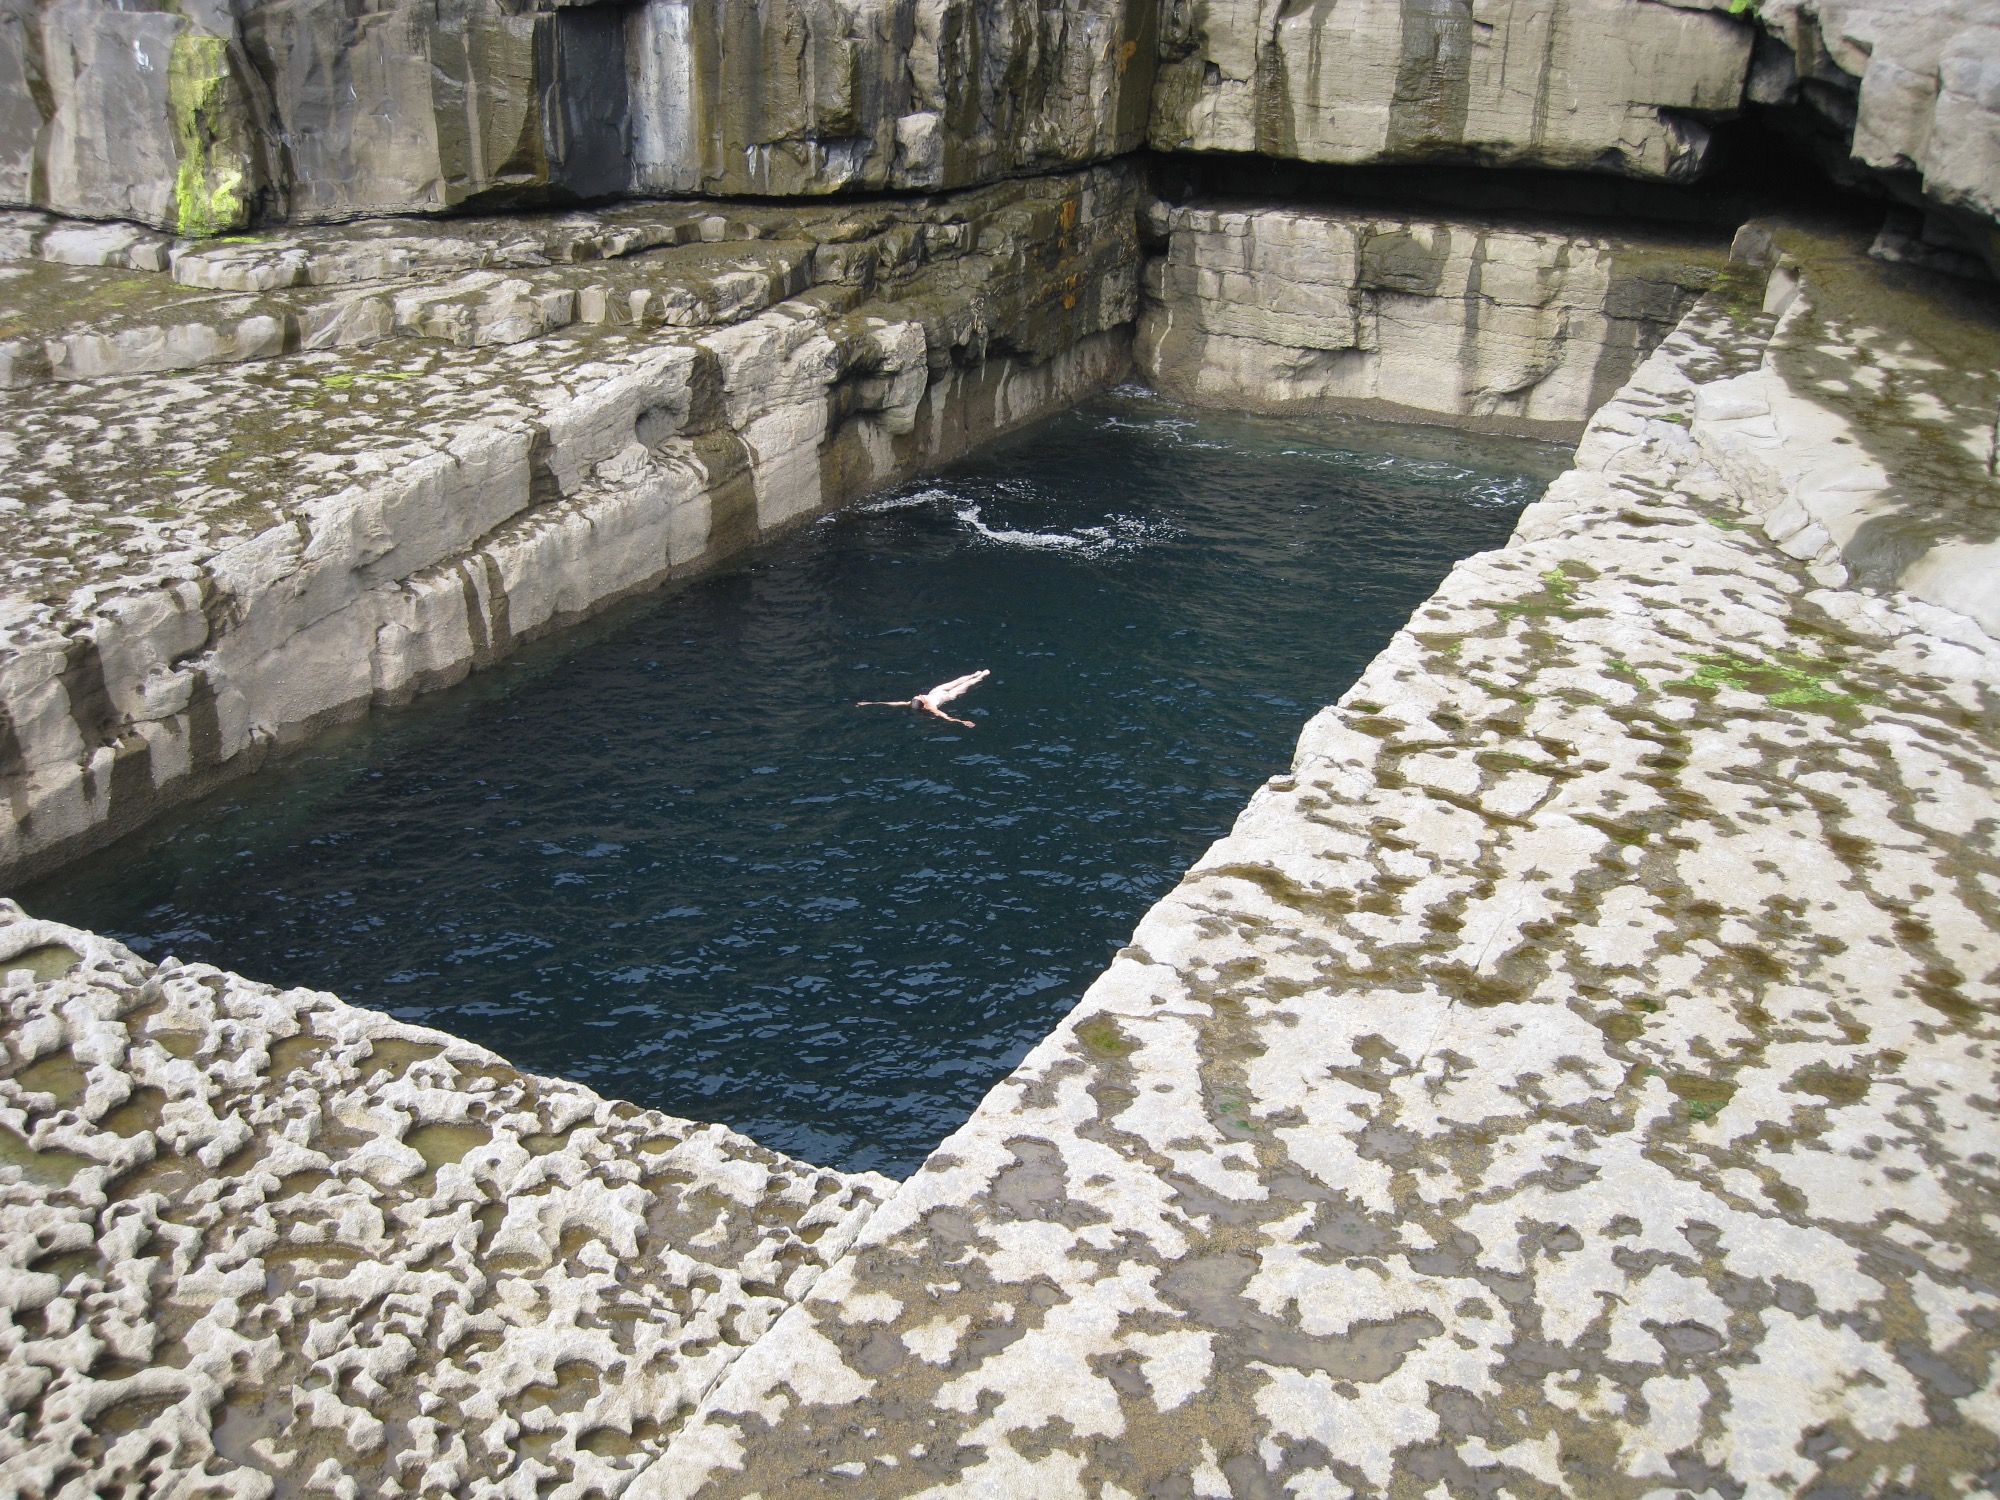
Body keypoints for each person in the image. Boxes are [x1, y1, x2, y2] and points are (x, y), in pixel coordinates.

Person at [857, 669, 991, 728]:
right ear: (923, 702)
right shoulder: (931, 707)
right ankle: (980, 677)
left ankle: (973, 673)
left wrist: (870, 703)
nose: (920, 694)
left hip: (936, 691)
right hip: (948, 696)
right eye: (920, 697)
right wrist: (962, 722)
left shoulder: (912, 702)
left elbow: (892, 703)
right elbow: (945, 716)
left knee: (956, 681)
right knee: (966, 685)